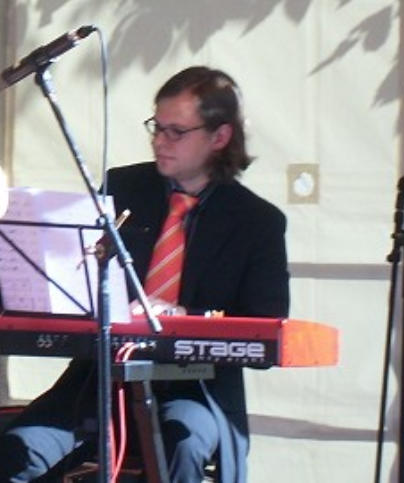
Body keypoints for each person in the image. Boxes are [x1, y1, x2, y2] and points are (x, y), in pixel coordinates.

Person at [0, 66, 290, 482]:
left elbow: (265, 321)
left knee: (181, 444)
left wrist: (185, 316)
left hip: (196, 385)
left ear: (219, 137)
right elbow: (82, 269)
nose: (159, 141)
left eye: (177, 131)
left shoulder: (257, 221)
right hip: (101, 377)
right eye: (157, 126)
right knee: (18, 450)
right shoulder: (124, 187)